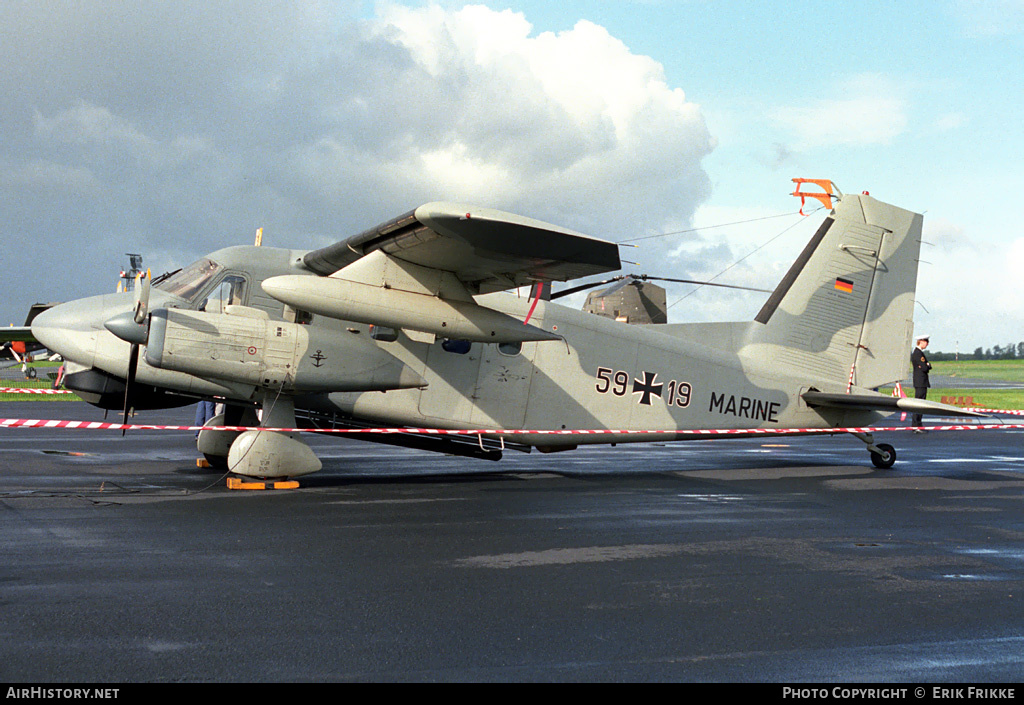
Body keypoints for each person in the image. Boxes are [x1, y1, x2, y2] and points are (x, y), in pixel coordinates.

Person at [910, 334, 932, 432]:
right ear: (921, 341)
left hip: (921, 381)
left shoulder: (919, 353)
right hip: (920, 381)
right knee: (919, 403)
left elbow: (926, 366)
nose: (927, 344)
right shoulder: (918, 353)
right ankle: (916, 425)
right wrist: (927, 365)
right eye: (926, 342)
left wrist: (927, 365)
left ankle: (918, 424)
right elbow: (925, 367)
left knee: (920, 403)